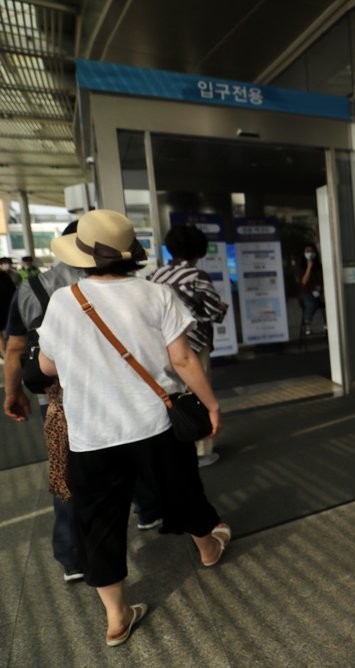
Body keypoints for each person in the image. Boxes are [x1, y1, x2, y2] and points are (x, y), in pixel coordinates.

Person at [36, 209, 230, 647]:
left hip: (92, 433)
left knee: (100, 522)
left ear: (84, 256)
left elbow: (47, 365)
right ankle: (207, 549)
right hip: (154, 423)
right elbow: (182, 360)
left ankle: (116, 616)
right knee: (181, 490)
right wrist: (211, 404)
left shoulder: (64, 301)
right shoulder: (155, 295)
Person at [3, 222, 86, 582]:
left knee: (64, 467)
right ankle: (149, 509)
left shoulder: (29, 287)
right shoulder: (110, 281)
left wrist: (12, 392)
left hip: (52, 394)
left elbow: (16, 348)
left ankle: (72, 556)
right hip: (104, 389)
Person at [147, 224, 229, 467]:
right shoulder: (196, 276)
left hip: (162, 344)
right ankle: (201, 448)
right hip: (193, 343)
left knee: (172, 392)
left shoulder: (155, 275)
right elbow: (215, 310)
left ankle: (178, 442)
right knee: (199, 391)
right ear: (198, 250)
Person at [297, 243, 325, 336]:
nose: (310, 253)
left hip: (317, 292)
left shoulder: (319, 266)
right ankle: (307, 323)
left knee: (324, 302)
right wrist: (309, 267)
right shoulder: (301, 266)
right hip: (305, 293)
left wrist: (320, 289)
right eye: (307, 251)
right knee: (312, 303)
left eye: (312, 251)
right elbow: (304, 282)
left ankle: (327, 324)